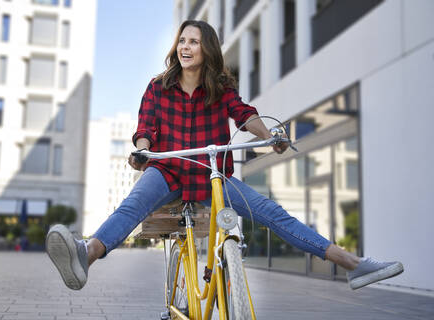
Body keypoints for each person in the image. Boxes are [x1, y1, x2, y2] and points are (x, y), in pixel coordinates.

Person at [46, 20, 403, 293]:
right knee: (132, 204)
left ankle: (354, 264)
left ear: (207, 50)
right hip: (168, 170)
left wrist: (270, 136)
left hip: (211, 173)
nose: (186, 47)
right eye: (182, 41)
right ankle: (85, 255)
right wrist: (142, 148)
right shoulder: (158, 86)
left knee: (272, 214)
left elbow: (245, 114)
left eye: (194, 42)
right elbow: (146, 128)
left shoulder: (221, 86)